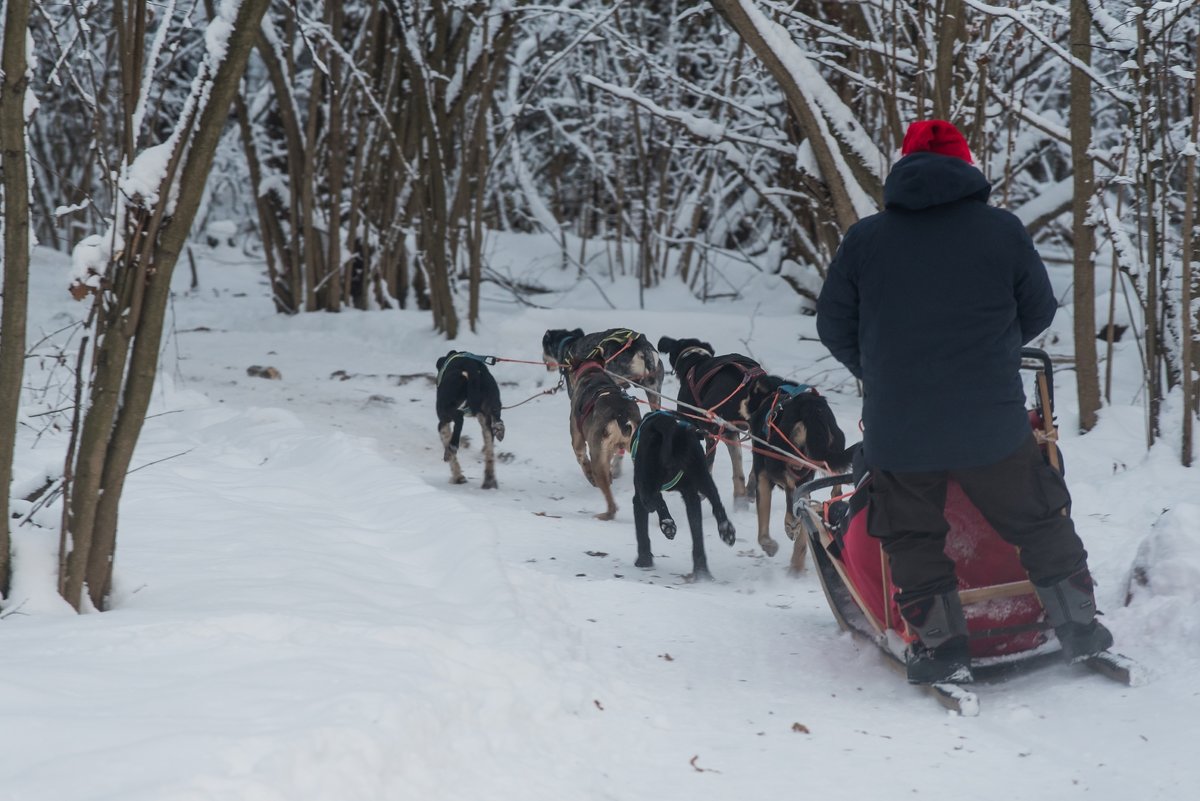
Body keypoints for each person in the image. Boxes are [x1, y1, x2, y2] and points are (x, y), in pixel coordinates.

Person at [815, 120, 1114, 685]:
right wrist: (993, 354)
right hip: (990, 421)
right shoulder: (1001, 230)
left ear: (902, 168)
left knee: (913, 537)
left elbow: (834, 325)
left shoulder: (867, 239)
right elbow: (1040, 311)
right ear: (966, 165)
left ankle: (943, 649)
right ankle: (1080, 628)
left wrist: (880, 372)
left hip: (900, 427)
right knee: (1038, 519)